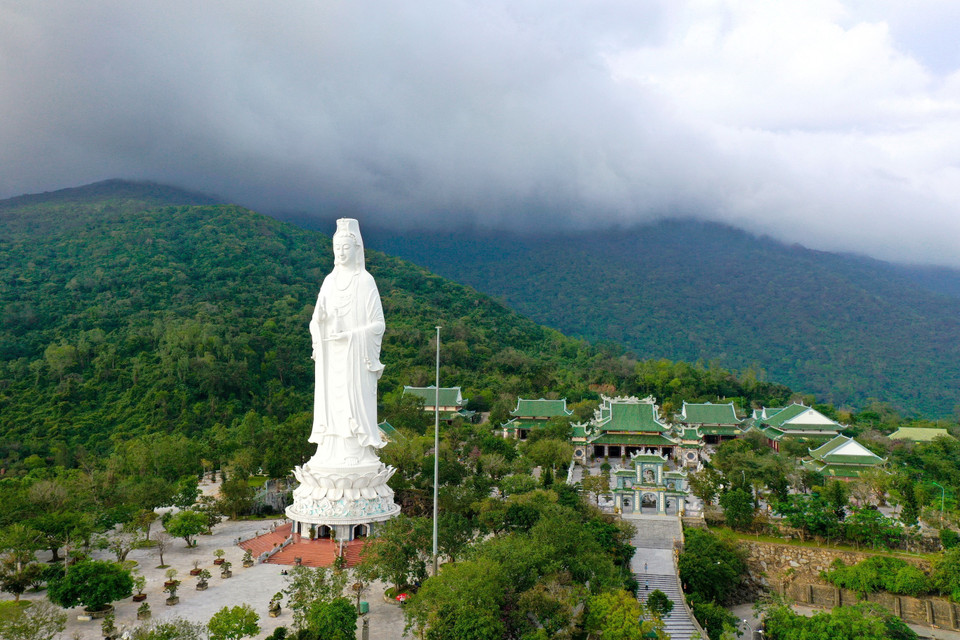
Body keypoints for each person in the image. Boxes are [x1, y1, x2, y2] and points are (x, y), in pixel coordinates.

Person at [308, 218, 385, 466]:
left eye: (346, 247)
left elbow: (378, 325)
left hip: (354, 357)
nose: (341, 252)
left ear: (357, 250)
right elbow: (316, 319)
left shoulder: (365, 281)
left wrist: (351, 335)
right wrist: (318, 323)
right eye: (337, 247)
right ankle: (330, 449)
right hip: (331, 357)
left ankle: (355, 449)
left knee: (353, 402)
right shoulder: (329, 282)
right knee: (331, 404)